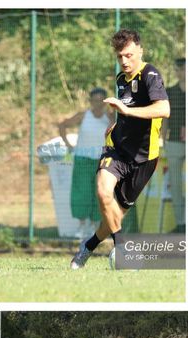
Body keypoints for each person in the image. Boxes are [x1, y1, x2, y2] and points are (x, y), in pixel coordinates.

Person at [70, 29, 170, 270]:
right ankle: (122, 249)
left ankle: (88, 246)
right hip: (116, 150)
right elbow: (128, 107)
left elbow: (163, 109)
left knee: (115, 214)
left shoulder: (150, 75)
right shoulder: (121, 79)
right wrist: (118, 123)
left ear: (140, 50)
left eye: (129, 55)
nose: (124, 61)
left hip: (145, 159)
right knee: (104, 193)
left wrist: (126, 112)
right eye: (120, 57)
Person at [58, 87, 112, 238]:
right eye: (95, 101)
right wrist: (68, 145)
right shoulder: (84, 115)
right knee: (81, 192)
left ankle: (96, 227)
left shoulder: (110, 117)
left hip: (102, 161)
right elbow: (62, 125)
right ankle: (82, 227)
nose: (98, 104)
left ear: (105, 102)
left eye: (101, 101)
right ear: (90, 102)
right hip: (82, 159)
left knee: (99, 193)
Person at [163, 58, 186, 228]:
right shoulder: (169, 92)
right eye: (178, 69)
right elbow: (164, 118)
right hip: (174, 142)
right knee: (176, 185)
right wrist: (163, 139)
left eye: (183, 69)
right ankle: (180, 223)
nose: (181, 72)